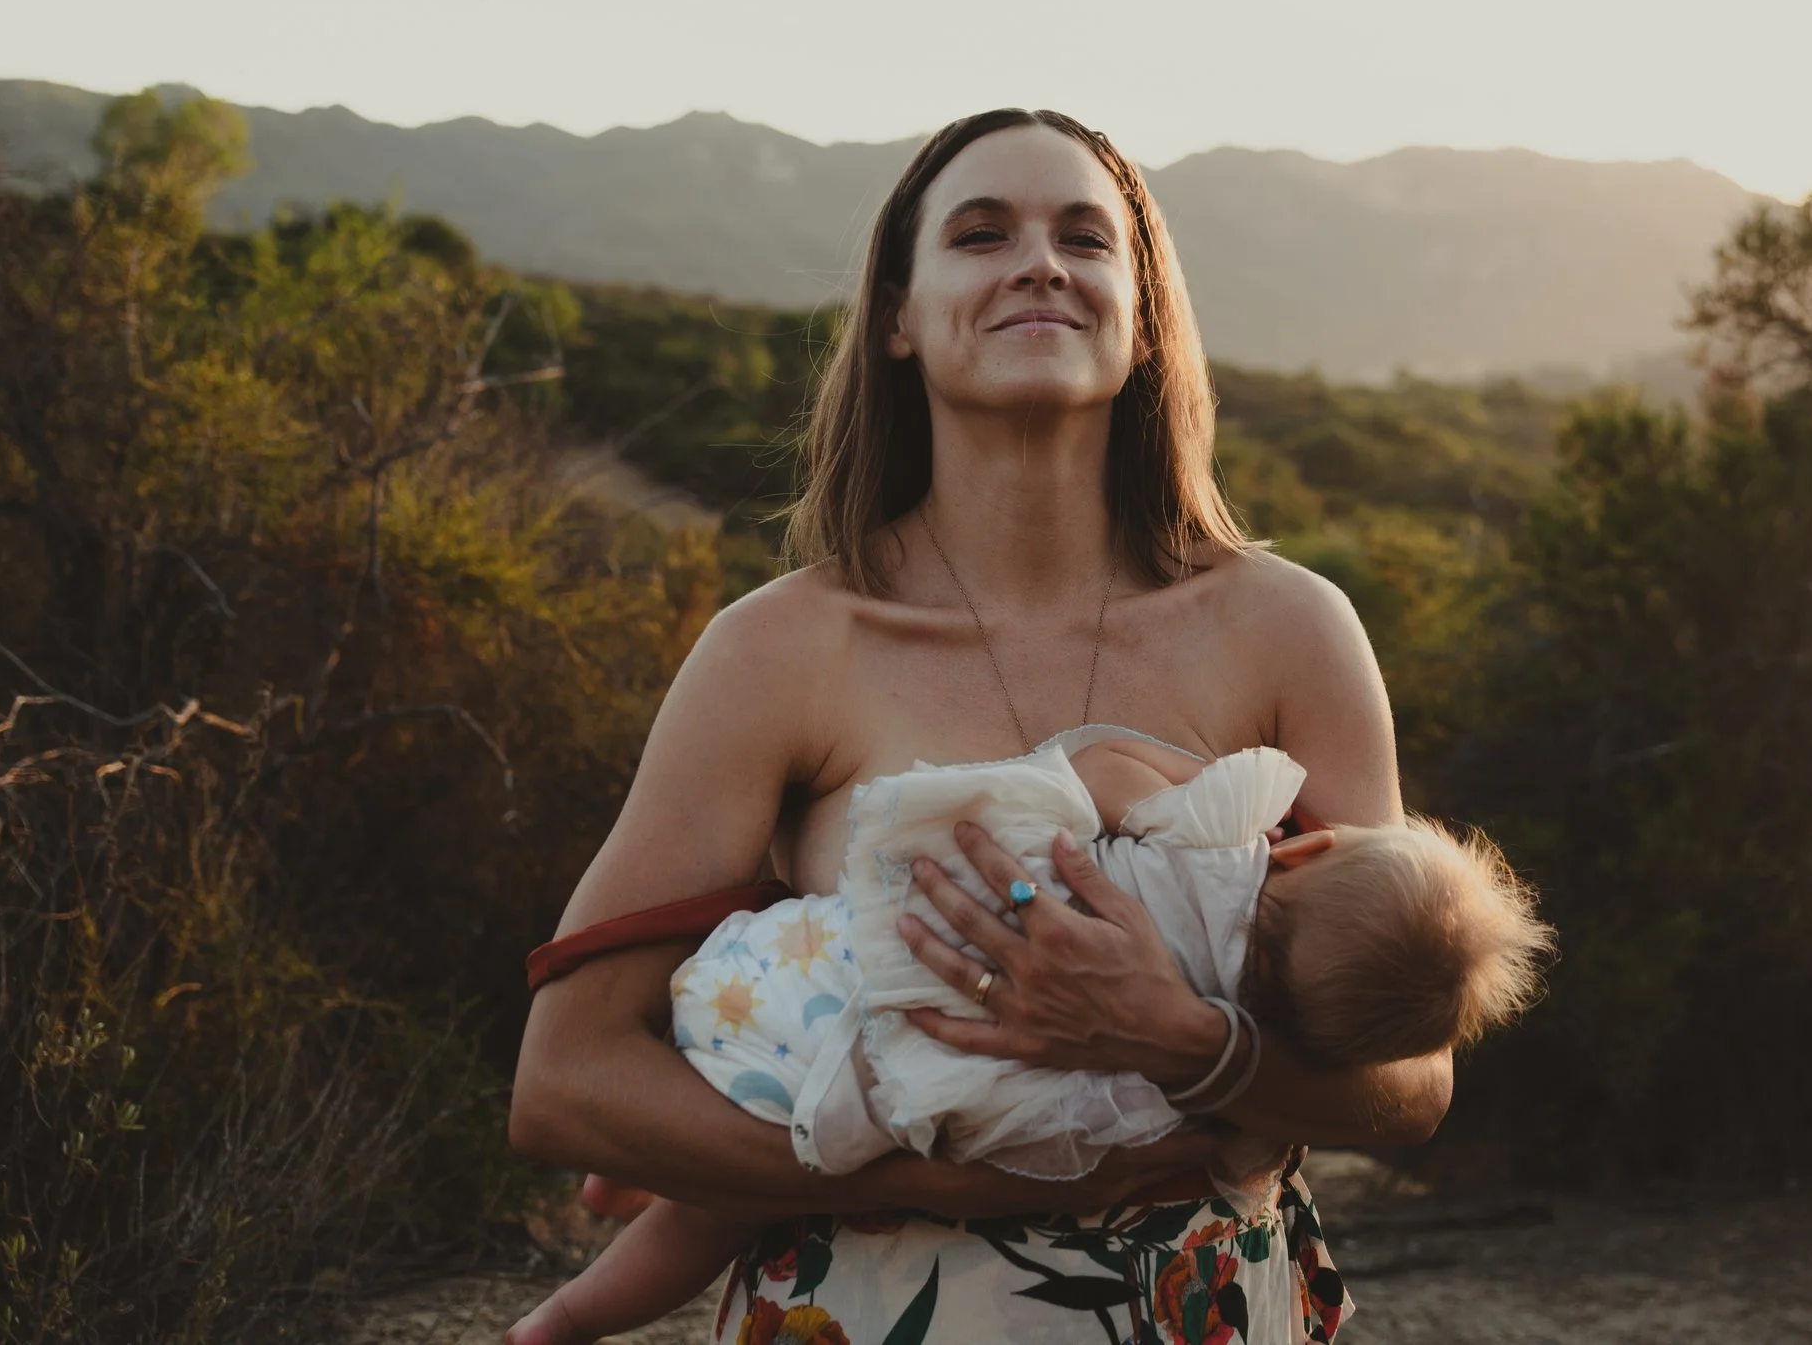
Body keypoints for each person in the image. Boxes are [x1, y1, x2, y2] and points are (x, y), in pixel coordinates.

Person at [509, 107, 1476, 1344]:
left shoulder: (1290, 628)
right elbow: (564, 1083)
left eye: (1085, 236)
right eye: (980, 234)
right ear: (900, 319)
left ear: (1141, 321)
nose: (1039, 261)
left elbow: (1411, 1085)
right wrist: (930, 1176)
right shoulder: (781, 651)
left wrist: (1181, 1037)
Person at [509, 730, 1549, 1345]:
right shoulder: (1192, 1092)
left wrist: (1113, 819)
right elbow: (1139, 1153)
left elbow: (1108, 763)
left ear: (1306, 845)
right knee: (714, 1207)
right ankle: (565, 1319)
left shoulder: (1221, 836)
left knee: (715, 1137)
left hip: (795, 974)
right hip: (866, 1077)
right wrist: (1211, 1071)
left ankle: (625, 1178)